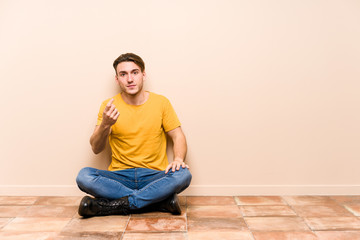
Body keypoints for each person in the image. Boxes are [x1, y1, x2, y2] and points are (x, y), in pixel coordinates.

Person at [76, 53, 192, 217]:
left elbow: (178, 136)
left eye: (134, 72)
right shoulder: (109, 105)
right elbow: (96, 148)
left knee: (183, 174)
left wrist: (178, 159)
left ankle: (116, 205)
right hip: (119, 176)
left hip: (154, 175)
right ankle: (158, 201)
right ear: (117, 79)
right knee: (84, 176)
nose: (130, 79)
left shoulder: (161, 102)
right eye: (123, 74)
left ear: (143, 75)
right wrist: (105, 124)